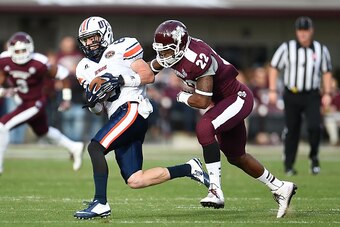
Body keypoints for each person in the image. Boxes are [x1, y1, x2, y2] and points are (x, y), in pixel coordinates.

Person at [150, 20, 297, 218]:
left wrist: (179, 95)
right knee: (236, 156)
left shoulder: (197, 57)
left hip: (237, 98)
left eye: (167, 50)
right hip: (223, 103)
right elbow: (149, 69)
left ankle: (215, 190)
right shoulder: (173, 54)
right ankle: (280, 187)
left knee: (205, 127)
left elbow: (202, 101)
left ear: (180, 44)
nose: (163, 55)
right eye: (161, 50)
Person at [73, 16, 209, 220]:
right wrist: (93, 103)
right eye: (85, 39)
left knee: (95, 147)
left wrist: (119, 79)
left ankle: (100, 202)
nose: (89, 43)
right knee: (135, 180)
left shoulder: (122, 47)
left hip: (132, 108)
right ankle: (190, 168)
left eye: (93, 38)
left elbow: (148, 76)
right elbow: (99, 109)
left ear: (105, 35)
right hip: (115, 115)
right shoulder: (83, 67)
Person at [0, 32, 85, 175]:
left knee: (2, 125)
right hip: (22, 101)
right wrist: (3, 91)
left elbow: (63, 74)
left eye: (23, 50)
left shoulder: (39, 62)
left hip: (36, 102)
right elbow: (2, 80)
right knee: (43, 131)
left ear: (30, 48)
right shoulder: (4, 60)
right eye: (17, 51)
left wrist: (66, 98)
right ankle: (74, 146)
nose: (20, 54)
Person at [268, 16, 333, 175]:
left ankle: (314, 159)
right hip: (292, 94)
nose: (303, 34)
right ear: (296, 32)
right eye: (300, 31)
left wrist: (328, 93)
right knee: (292, 130)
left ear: (311, 31)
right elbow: (274, 68)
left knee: (314, 127)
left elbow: (326, 72)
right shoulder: (286, 48)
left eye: (306, 30)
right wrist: (272, 90)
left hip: (312, 94)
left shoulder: (320, 49)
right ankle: (289, 165)